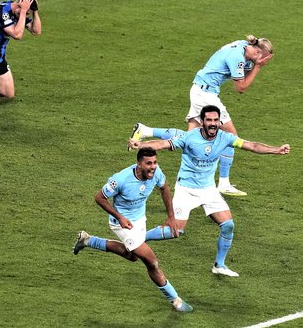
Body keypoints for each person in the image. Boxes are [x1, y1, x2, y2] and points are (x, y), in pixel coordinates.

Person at [129, 105, 290, 277]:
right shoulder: (189, 137)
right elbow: (162, 144)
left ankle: (219, 265)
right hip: (187, 190)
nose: (213, 124)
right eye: (209, 120)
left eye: (215, 120)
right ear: (202, 122)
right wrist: (142, 145)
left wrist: (276, 149)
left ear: (220, 121)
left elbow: (252, 146)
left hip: (208, 190)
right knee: (175, 231)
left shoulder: (226, 137)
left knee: (228, 225)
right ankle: (137, 239)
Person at [132, 35, 274, 196]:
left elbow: (248, 55)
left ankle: (145, 131)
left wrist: (255, 56)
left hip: (201, 89)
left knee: (189, 137)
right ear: (256, 52)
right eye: (261, 59)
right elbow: (241, 88)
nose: (259, 62)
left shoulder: (244, 45)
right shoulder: (237, 57)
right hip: (206, 95)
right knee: (231, 137)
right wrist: (257, 67)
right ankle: (224, 183)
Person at [73, 147, 193, 313]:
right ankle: (175, 299)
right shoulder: (121, 179)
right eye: (148, 163)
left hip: (140, 220)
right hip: (122, 224)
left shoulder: (156, 173)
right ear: (139, 164)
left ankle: (88, 240)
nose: (153, 166)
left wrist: (171, 217)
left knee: (132, 256)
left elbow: (164, 188)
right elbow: (99, 197)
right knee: (151, 261)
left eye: (155, 162)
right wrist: (120, 217)